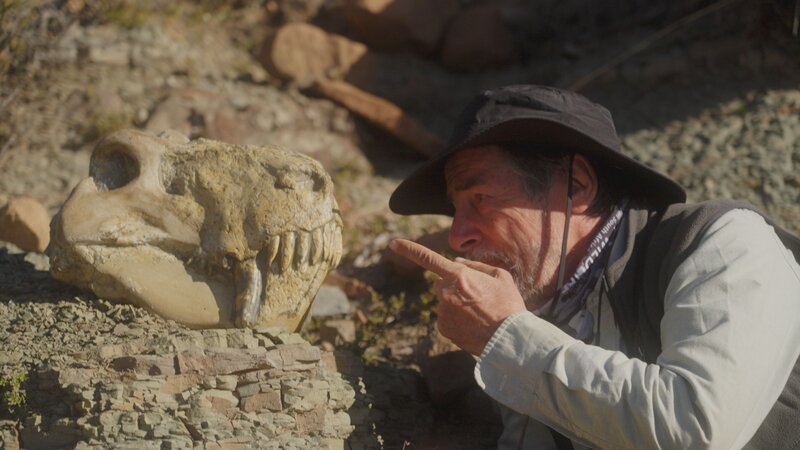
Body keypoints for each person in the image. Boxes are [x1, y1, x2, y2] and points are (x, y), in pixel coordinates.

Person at [387, 85, 800, 449]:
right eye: (455, 211)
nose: (458, 237)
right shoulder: (540, 313)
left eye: (478, 198)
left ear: (577, 185)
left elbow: (695, 430)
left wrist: (505, 335)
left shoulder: (722, 242)